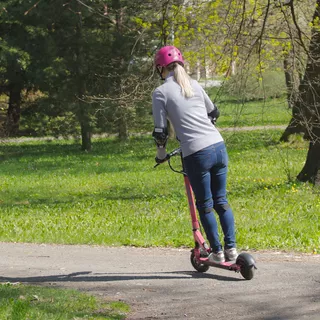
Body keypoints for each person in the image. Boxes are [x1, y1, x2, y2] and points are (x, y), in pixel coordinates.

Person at [152, 45, 237, 263]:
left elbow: (160, 131)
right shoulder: (196, 85)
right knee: (221, 201)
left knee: (205, 205)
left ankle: (217, 252)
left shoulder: (160, 93)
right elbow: (213, 113)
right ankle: (232, 249)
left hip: (197, 153)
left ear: (161, 68)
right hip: (218, 146)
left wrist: (161, 154)